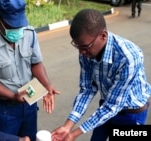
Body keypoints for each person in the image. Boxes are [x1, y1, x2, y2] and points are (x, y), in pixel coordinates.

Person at [51, 9, 151, 141]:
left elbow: (113, 105)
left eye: (85, 47)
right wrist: (67, 126)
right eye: (77, 46)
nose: (81, 53)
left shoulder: (128, 57)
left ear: (103, 35)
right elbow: (87, 90)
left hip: (131, 114)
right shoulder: (86, 50)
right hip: (106, 107)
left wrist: (74, 134)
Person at [0, 0, 61, 140]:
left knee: (29, 138)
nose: (18, 30)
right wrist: (12, 96)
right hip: (5, 109)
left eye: (20, 25)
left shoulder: (29, 33)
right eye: (12, 26)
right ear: (0, 22)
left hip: (30, 102)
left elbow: (35, 64)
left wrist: (47, 85)